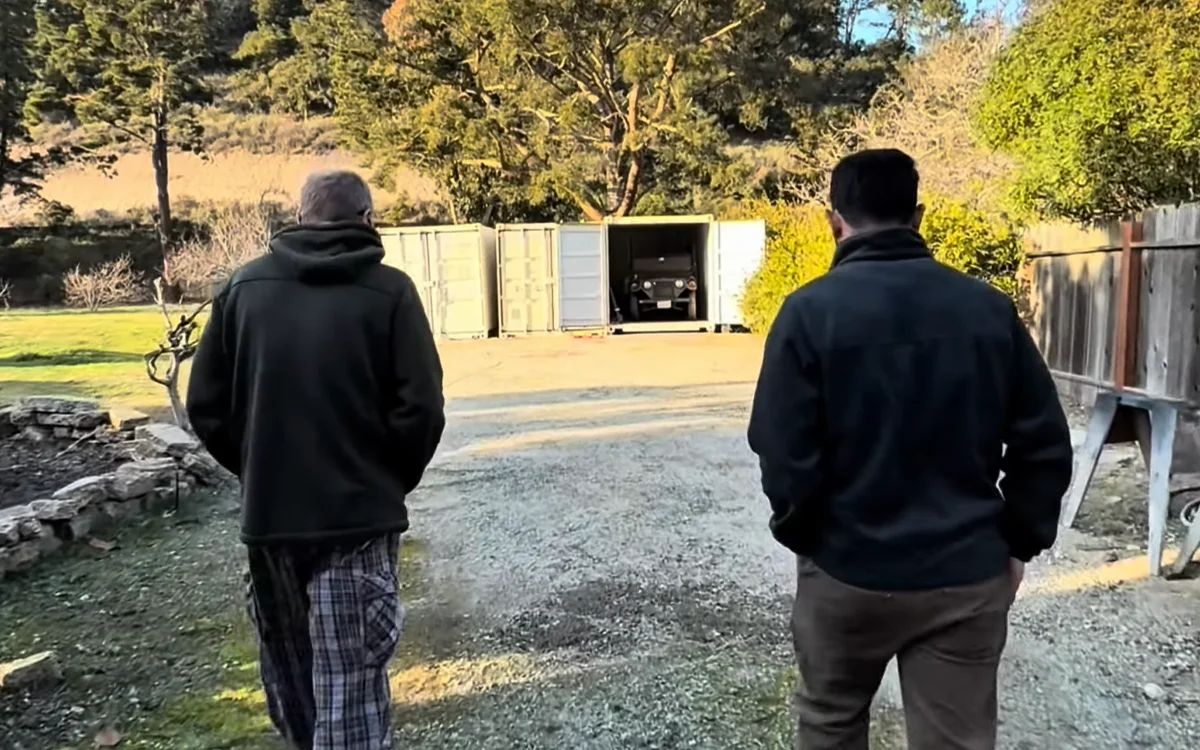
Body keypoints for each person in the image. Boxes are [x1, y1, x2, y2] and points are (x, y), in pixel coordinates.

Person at [747, 149, 1073, 750]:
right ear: (919, 217)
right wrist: (1019, 541)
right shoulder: (988, 309)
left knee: (830, 724)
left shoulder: (807, 313)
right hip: (965, 575)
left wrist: (808, 537)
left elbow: (782, 449)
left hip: (846, 571)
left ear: (834, 222)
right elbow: (1044, 441)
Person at [186, 170, 446, 749]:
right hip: (358, 525)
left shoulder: (242, 289)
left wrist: (260, 470)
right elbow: (423, 409)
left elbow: (206, 405)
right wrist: (384, 482)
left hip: (270, 527)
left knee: (294, 687)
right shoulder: (392, 292)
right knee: (350, 690)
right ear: (367, 218)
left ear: (300, 216)